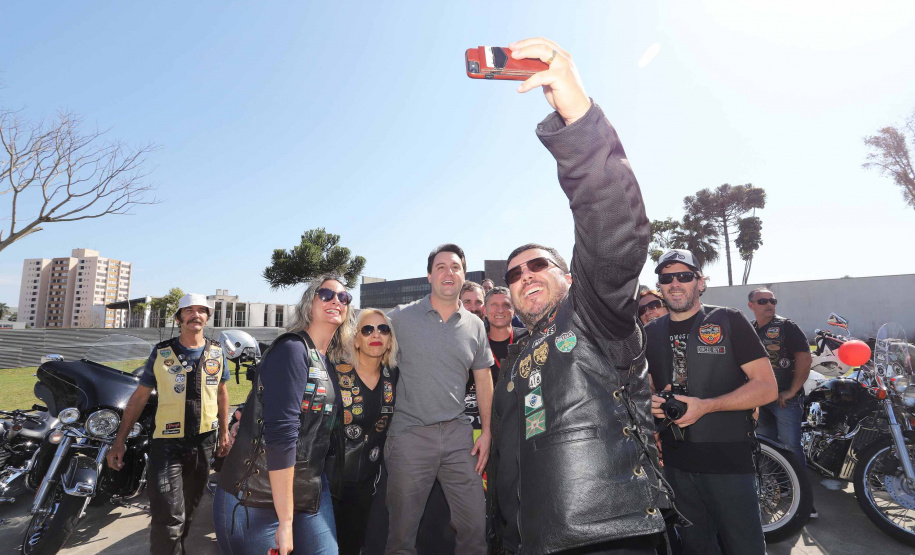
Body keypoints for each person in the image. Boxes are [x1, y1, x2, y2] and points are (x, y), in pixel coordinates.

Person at [487, 37, 673, 555]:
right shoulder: (519, 356)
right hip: (530, 540)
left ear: (569, 277)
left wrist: (578, 117)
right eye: (514, 272)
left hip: (609, 534)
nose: (524, 275)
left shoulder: (592, 314)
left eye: (539, 265)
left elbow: (615, 233)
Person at [646, 249, 777, 555]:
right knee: (696, 548)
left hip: (729, 462)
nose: (675, 283)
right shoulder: (650, 333)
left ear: (700, 282)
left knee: (745, 547)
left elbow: (766, 387)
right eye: (667, 278)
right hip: (677, 465)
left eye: (684, 276)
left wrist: (707, 406)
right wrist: (650, 402)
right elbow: (647, 389)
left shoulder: (729, 320)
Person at [213, 275, 355, 555]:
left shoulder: (327, 360)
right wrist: (286, 521)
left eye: (344, 297)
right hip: (255, 494)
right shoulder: (292, 348)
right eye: (326, 294)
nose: (336, 301)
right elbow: (281, 435)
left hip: (308, 487)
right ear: (308, 304)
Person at [385, 243, 494, 555]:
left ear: (463, 275)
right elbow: (363, 340)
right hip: (409, 435)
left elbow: (484, 378)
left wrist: (487, 431)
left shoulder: (475, 325)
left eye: (456, 267)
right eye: (442, 267)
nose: (449, 272)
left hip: (460, 438)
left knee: (475, 529)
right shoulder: (401, 318)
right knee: (401, 535)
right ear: (429, 275)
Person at [107, 293, 230, 554]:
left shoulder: (217, 353)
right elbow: (139, 397)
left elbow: (221, 393)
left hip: (204, 442)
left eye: (201, 310)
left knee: (187, 510)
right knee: (168, 517)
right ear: (179, 318)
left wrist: (225, 432)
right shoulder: (162, 353)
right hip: (167, 444)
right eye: (188, 310)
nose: (195, 314)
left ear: (207, 318)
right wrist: (119, 441)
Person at [333, 308, 400, 555]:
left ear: (390, 340)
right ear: (357, 340)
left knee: (352, 545)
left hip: (367, 486)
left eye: (383, 329)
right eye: (367, 329)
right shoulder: (335, 372)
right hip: (329, 482)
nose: (376, 334)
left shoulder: (393, 376)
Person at [748, 287, 815, 517]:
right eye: (763, 300)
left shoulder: (787, 326)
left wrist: (792, 391)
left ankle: (805, 501)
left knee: (791, 448)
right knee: (767, 448)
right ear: (752, 306)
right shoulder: (749, 329)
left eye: (773, 300)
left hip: (785, 400)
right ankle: (781, 491)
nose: (769, 304)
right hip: (760, 400)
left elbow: (805, 358)